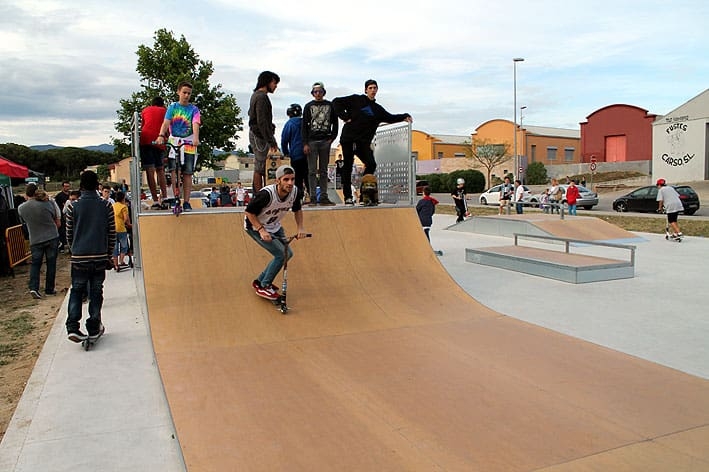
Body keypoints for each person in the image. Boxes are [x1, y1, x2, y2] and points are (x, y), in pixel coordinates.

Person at [332, 79, 412, 205]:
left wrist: (404, 116)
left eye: (375, 88)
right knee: (347, 166)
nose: (373, 90)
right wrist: (344, 116)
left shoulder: (377, 110)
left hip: (362, 142)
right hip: (348, 138)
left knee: (371, 164)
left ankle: (365, 193)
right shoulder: (356, 99)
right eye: (370, 88)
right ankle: (348, 196)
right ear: (366, 90)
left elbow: (390, 117)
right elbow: (336, 102)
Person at [65, 170, 116, 343]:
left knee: (77, 290)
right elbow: (111, 233)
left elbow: (69, 234)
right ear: (97, 186)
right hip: (100, 256)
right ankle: (94, 325)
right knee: (96, 291)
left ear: (80, 186)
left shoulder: (73, 206)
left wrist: (75, 251)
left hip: (79, 256)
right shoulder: (106, 205)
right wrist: (109, 255)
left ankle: (73, 326)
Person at [244, 165, 306, 301]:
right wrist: (261, 230)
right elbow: (249, 212)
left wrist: (300, 228)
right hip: (255, 227)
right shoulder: (266, 194)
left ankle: (260, 281)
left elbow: (297, 210)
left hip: (275, 226)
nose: (290, 183)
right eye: (286, 180)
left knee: (286, 254)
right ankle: (265, 286)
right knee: (282, 254)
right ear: (277, 181)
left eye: (292, 179)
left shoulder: (295, 192)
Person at [155, 82, 201, 212]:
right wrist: (161, 135)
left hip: (189, 142)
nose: (186, 95)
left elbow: (195, 123)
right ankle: (175, 198)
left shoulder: (194, 109)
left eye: (189, 93)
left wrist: (196, 138)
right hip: (174, 141)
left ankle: (186, 201)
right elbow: (166, 122)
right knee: (173, 170)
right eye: (184, 92)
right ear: (178, 92)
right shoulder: (173, 107)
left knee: (187, 172)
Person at [17, 184, 61, 299]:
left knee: (36, 264)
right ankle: (49, 289)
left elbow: (24, 221)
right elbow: (55, 217)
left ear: (26, 194)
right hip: (51, 236)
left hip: (35, 239)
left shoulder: (21, 208)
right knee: (51, 264)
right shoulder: (48, 203)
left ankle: (33, 287)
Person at [302, 81, 338, 206]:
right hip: (312, 141)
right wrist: (305, 143)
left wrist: (332, 138)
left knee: (323, 171)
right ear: (312, 93)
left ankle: (323, 196)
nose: (318, 94)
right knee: (311, 171)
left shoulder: (330, 105)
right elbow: (304, 126)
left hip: (325, 141)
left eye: (320, 91)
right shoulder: (308, 106)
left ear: (323, 92)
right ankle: (312, 197)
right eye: (316, 92)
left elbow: (335, 122)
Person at [248, 71, 280, 193]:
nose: (275, 86)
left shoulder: (255, 95)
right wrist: (271, 140)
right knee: (260, 166)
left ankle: (259, 193)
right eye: (274, 82)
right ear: (267, 82)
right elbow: (262, 121)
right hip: (259, 135)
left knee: (261, 165)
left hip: (258, 134)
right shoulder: (261, 97)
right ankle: (259, 194)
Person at [140, 96, 169, 209]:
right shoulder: (165, 111)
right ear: (162, 104)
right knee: (160, 169)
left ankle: (155, 200)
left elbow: (143, 126)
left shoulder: (145, 110)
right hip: (159, 141)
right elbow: (167, 127)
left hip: (146, 140)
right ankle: (165, 198)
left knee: (150, 171)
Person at [280, 103, 309, 198]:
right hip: (308, 154)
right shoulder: (304, 122)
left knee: (297, 178)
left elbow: (284, 140)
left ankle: (298, 198)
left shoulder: (289, 124)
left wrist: (286, 152)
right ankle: (312, 196)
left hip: (295, 155)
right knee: (308, 176)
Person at [112, 191, 131, 271]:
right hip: (121, 229)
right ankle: (121, 261)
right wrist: (128, 224)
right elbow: (126, 218)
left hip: (113, 229)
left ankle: (116, 265)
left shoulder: (112, 206)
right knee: (124, 246)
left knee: (115, 248)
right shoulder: (124, 207)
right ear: (123, 198)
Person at [54, 181, 71, 251]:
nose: (67, 188)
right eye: (65, 186)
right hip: (62, 216)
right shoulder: (59, 196)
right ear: (63, 187)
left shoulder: (71, 194)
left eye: (68, 186)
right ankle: (62, 246)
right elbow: (56, 207)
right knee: (62, 231)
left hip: (70, 215)